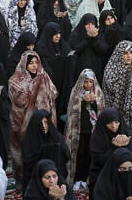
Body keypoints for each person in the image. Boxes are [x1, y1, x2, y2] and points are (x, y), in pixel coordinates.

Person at [8, 50, 58, 183]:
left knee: (43, 150)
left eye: (36, 62)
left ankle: (43, 178)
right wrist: (31, 87)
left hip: (43, 123)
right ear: (24, 64)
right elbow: (18, 102)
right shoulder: (15, 80)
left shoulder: (44, 76)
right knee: (25, 152)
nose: (35, 66)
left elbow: (53, 93)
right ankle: (23, 179)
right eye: (31, 63)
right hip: (24, 123)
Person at [65, 69, 105, 187]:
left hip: (93, 132)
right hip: (79, 131)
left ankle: (88, 179)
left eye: (90, 82)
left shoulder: (98, 93)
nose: (88, 85)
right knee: (79, 154)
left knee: (90, 154)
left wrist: (93, 102)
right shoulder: (76, 93)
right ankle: (78, 179)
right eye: (85, 82)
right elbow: (72, 111)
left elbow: (101, 111)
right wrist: (83, 100)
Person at [102, 40, 132, 147]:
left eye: (131, 53)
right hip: (117, 113)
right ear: (119, 54)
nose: (129, 56)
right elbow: (111, 90)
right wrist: (126, 74)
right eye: (125, 53)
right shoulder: (111, 69)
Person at [21, 110, 71, 191]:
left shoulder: (56, 137)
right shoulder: (29, 140)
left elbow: (66, 155)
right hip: (35, 181)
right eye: (41, 123)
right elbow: (28, 163)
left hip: (56, 178)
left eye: (46, 122)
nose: (44, 126)